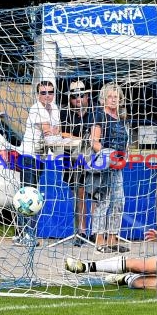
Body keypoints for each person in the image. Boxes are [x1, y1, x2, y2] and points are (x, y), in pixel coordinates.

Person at [13, 80, 62, 247]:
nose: (47, 96)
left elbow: (58, 130)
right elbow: (49, 131)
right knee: (27, 195)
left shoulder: (54, 108)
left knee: (34, 195)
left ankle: (25, 233)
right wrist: (53, 130)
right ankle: (24, 234)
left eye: (50, 92)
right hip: (29, 156)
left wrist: (54, 131)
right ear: (37, 94)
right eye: (43, 93)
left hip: (40, 156)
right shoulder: (36, 109)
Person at [86, 82, 130, 253]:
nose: (113, 100)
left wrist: (124, 156)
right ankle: (99, 240)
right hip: (104, 164)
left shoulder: (121, 119)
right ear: (103, 99)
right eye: (110, 97)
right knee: (103, 201)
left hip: (118, 164)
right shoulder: (99, 115)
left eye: (116, 97)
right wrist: (109, 156)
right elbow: (94, 142)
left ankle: (112, 238)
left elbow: (124, 144)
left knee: (119, 201)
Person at [60, 80, 95, 246]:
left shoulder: (96, 113)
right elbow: (62, 134)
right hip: (72, 159)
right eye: (74, 97)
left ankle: (95, 232)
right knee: (79, 195)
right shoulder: (65, 114)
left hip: (93, 159)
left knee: (96, 194)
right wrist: (80, 139)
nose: (78, 100)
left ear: (87, 96)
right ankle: (81, 233)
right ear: (70, 99)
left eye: (82, 96)